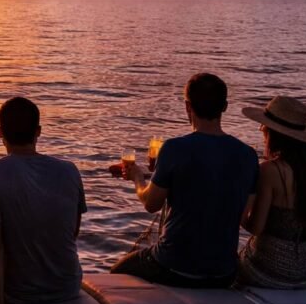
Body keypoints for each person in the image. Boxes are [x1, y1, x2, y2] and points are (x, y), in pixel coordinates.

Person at [111, 73, 258, 288]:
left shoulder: (174, 148)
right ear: (225, 106)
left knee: (115, 274)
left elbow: (151, 204)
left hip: (173, 266)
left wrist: (137, 178)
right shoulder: (248, 155)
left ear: (187, 106)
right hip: (224, 271)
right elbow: (241, 213)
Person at [0, 97, 87, 304]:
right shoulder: (69, 170)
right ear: (38, 132)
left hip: (16, 295)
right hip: (66, 287)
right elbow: (72, 232)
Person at [238, 96, 306, 289]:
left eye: (263, 128)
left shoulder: (270, 170)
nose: (262, 132)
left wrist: (237, 209)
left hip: (270, 271)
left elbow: (255, 227)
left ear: (272, 133)